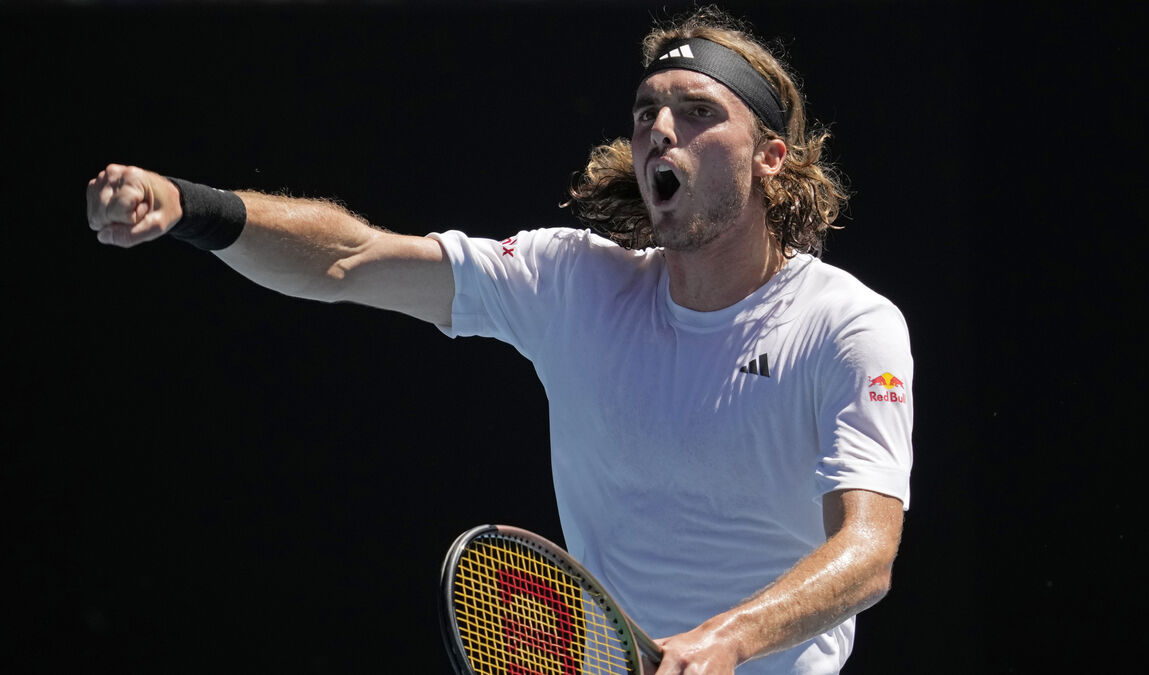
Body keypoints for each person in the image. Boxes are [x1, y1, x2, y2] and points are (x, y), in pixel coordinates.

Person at [85, 6, 912, 674]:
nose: (662, 129)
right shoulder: (573, 282)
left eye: (698, 112)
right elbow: (349, 259)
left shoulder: (847, 325)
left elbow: (868, 551)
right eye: (647, 113)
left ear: (770, 157)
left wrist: (728, 638)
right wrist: (189, 206)